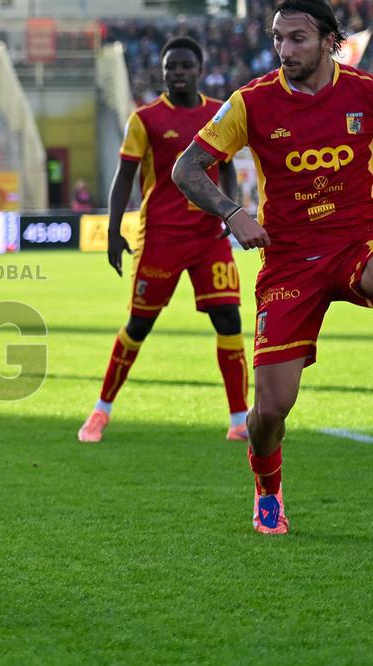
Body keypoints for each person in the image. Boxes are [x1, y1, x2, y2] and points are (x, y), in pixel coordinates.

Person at [173, 0, 373, 534]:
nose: (285, 50)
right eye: (279, 39)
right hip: (289, 263)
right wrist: (232, 212)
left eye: (298, 39)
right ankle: (267, 488)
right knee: (269, 413)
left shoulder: (365, 94)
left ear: (330, 40)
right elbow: (186, 168)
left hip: (358, 242)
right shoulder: (251, 103)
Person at [79, 37, 248, 444]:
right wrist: (115, 230)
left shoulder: (217, 114)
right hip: (161, 239)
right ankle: (101, 411)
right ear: (163, 71)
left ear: (200, 69)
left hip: (208, 238)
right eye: (170, 66)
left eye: (185, 66)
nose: (177, 73)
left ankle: (240, 420)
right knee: (139, 325)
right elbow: (124, 180)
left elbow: (226, 169)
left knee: (229, 320)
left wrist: (231, 208)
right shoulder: (146, 119)